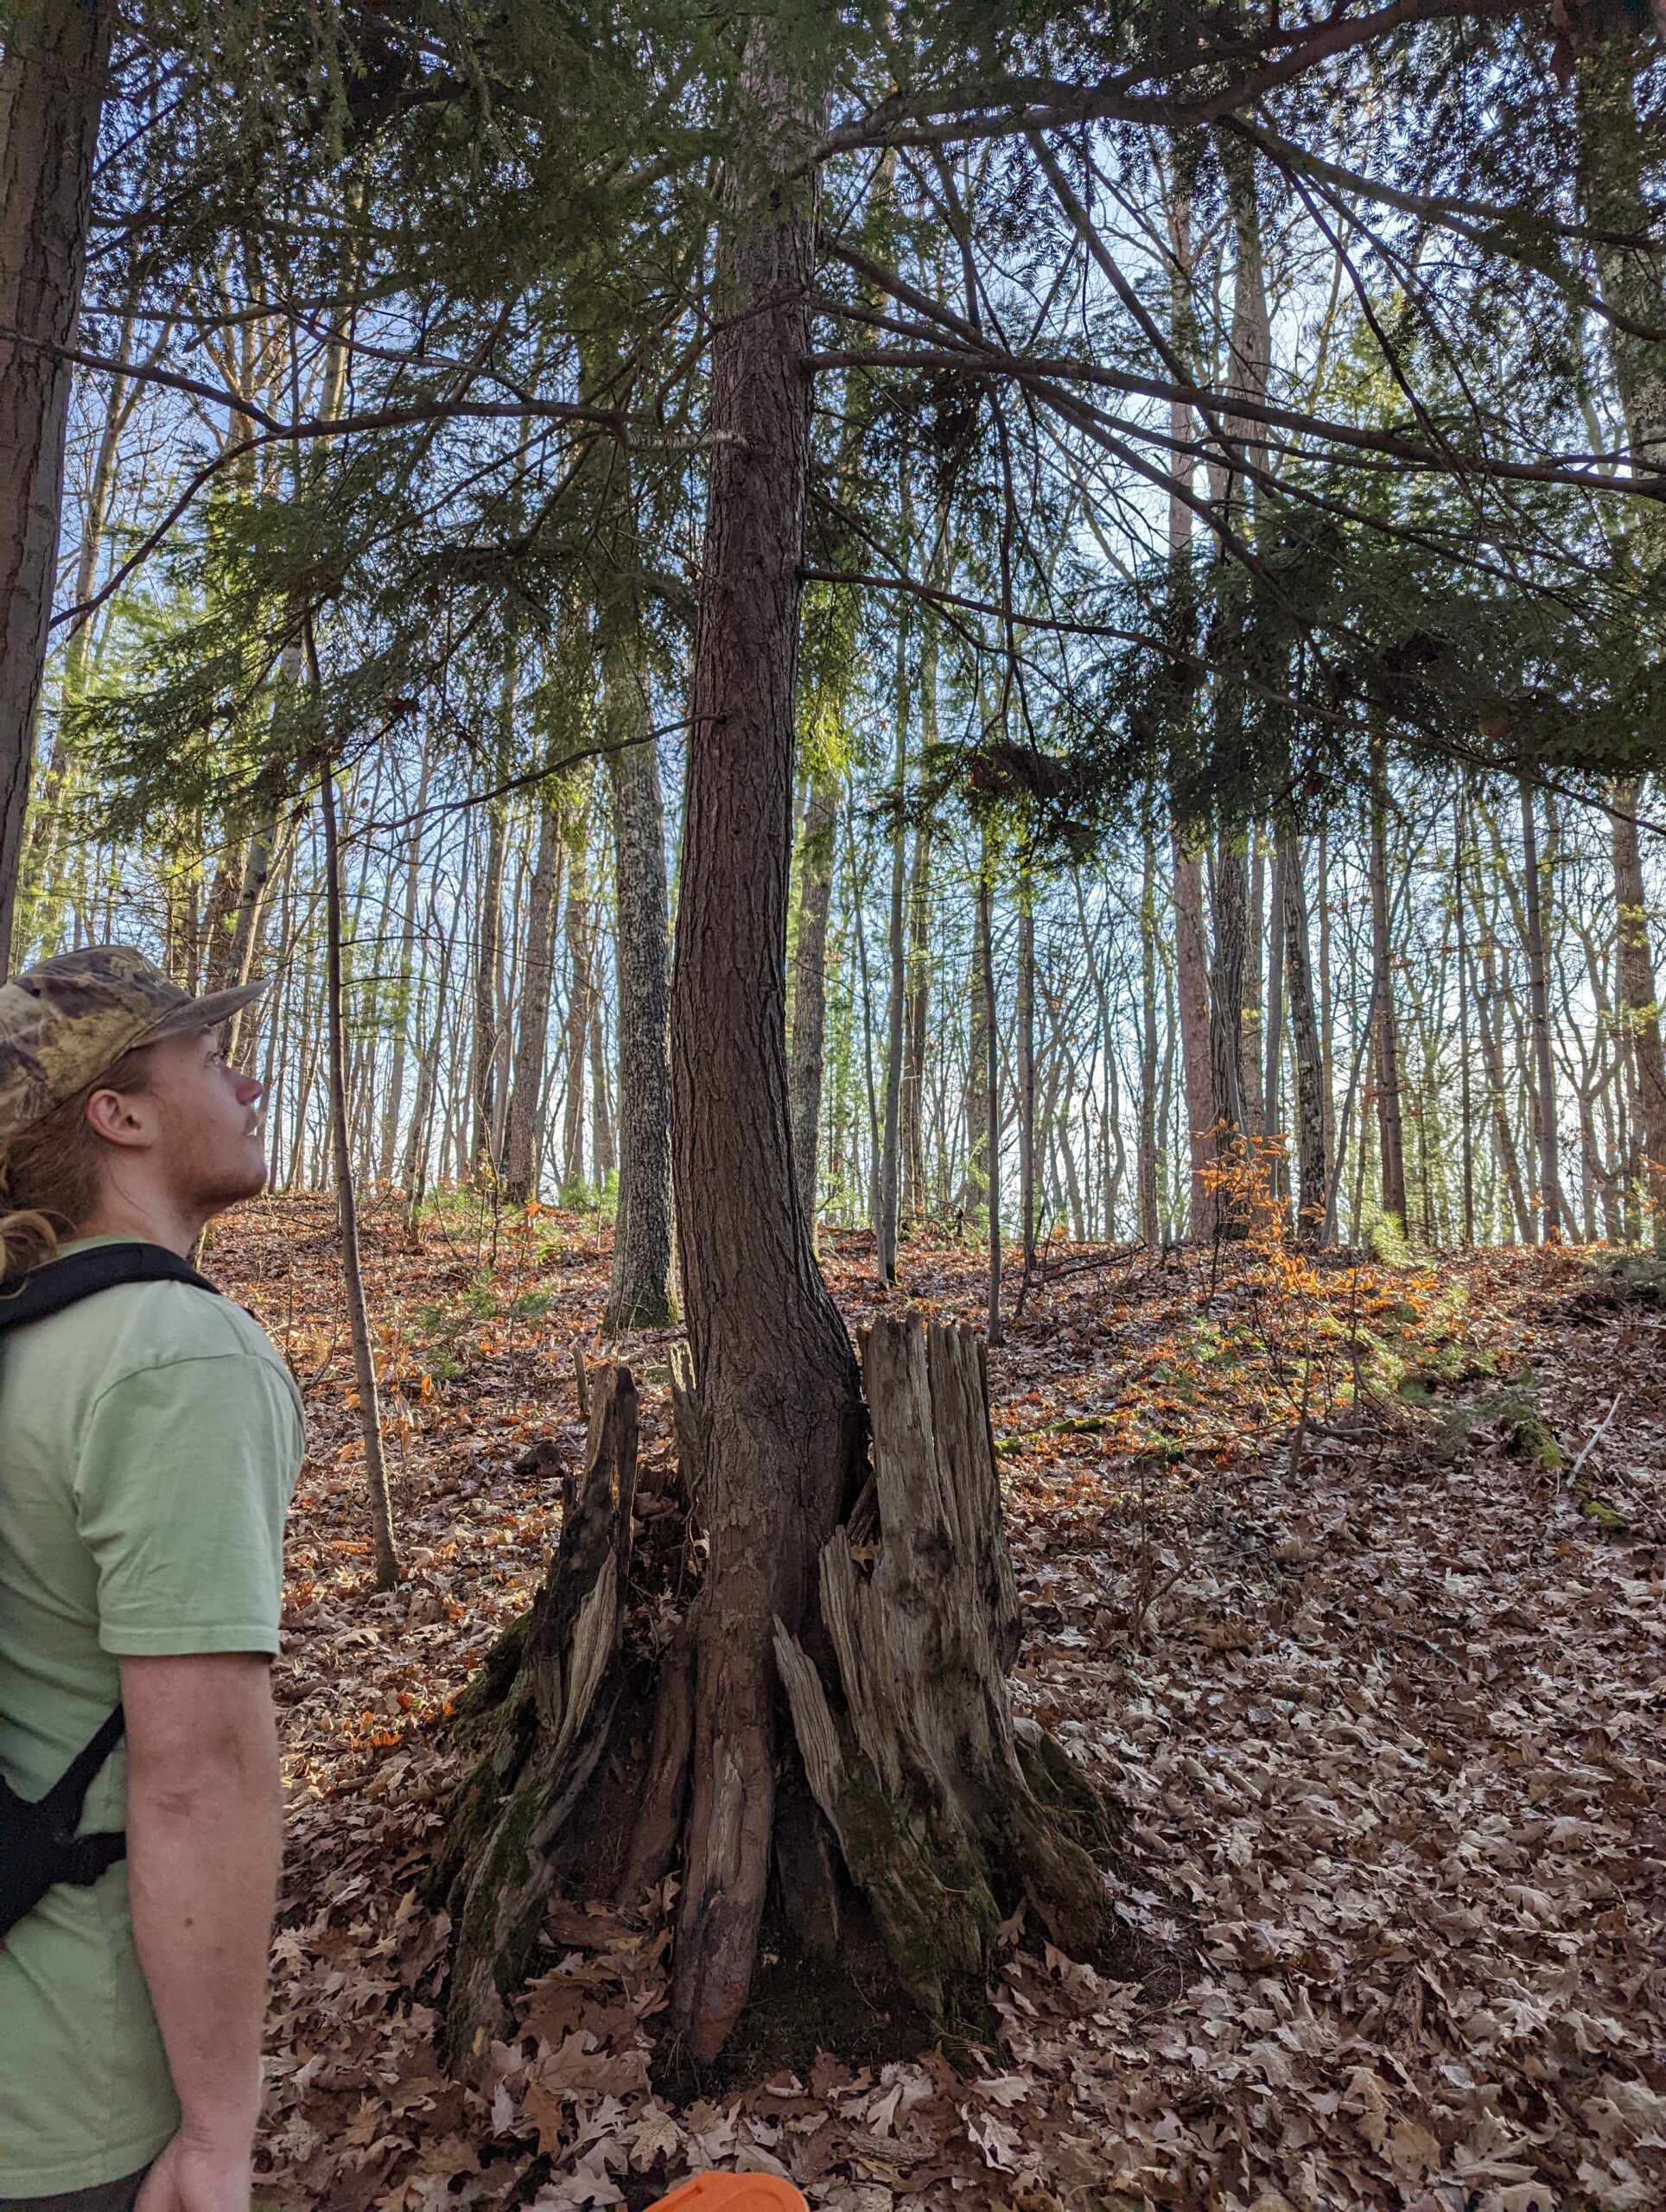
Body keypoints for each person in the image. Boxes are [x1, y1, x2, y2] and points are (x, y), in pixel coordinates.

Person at [0, 948, 305, 2212]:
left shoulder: (27, 1338)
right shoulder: (173, 1355)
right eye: (207, 1060)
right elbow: (197, 1775)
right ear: (117, 1115)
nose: (251, 1081)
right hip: (68, 2097)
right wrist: (219, 2128)